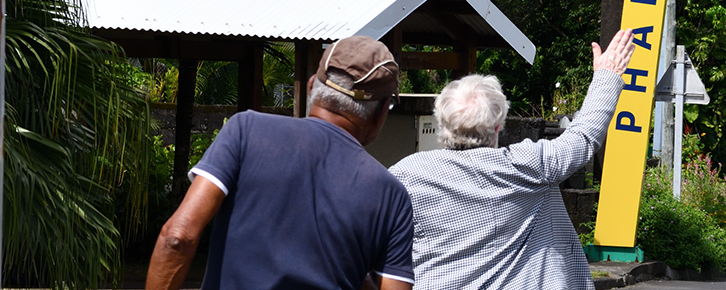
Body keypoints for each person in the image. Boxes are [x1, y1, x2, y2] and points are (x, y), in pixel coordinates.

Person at [146, 35, 415, 290]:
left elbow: (177, 237)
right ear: (380, 113)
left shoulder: (247, 131)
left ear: (312, 86)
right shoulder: (391, 194)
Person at [387, 30, 635, 289]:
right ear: (498, 126)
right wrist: (607, 73)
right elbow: (584, 136)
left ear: (442, 122)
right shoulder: (529, 167)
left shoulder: (405, 175)